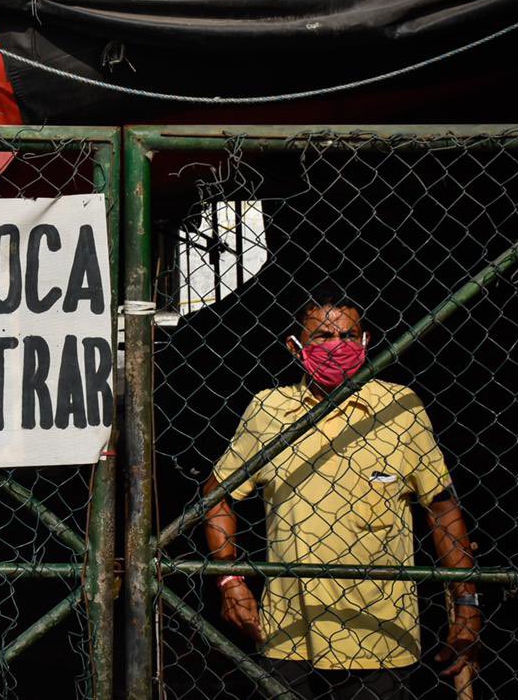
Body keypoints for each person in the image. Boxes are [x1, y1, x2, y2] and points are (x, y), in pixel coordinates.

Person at [202, 289, 480, 699]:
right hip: (290, 633)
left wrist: (467, 603)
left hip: (382, 634)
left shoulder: (398, 407)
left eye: (348, 336)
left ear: (366, 341)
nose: (337, 347)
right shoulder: (268, 410)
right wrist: (229, 579)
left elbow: (441, 507)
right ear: (296, 347)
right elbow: (216, 494)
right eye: (323, 338)